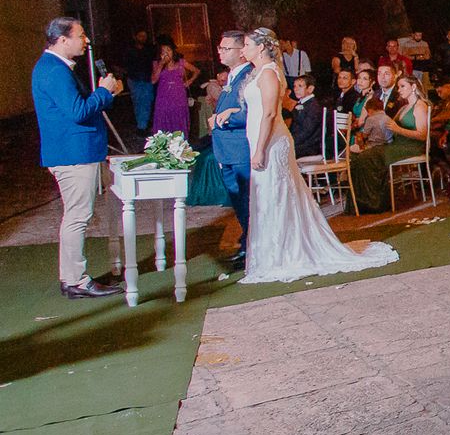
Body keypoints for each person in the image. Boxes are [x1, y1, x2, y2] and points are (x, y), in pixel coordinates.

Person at [234, 28, 398, 283]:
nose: (242, 49)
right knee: (267, 195)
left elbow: (268, 114)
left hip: (270, 142)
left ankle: (286, 252)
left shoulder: (268, 74)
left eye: (246, 44)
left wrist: (259, 149)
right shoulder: (260, 73)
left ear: (261, 47)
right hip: (264, 139)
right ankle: (272, 254)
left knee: (275, 195)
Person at [33, 16, 125, 297]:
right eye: (81, 35)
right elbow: (78, 112)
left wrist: (106, 94)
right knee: (77, 216)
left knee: (77, 215)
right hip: (72, 155)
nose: (86, 41)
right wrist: (103, 92)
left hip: (75, 153)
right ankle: (75, 281)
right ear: (63, 40)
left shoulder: (56, 67)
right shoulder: (53, 70)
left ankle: (73, 276)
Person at [347, 74, 431, 213]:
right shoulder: (404, 108)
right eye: (398, 87)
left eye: (403, 86)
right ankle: (360, 204)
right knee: (358, 156)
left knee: (367, 157)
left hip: (411, 146)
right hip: (396, 144)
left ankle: (375, 203)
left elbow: (423, 135)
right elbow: (387, 124)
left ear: (414, 87)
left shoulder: (420, 106)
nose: (399, 90)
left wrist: (399, 129)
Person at [209, 30, 257, 267]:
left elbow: (252, 111)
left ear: (241, 53)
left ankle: (251, 246)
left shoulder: (249, 76)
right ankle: (246, 241)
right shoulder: (231, 77)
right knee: (239, 202)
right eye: (220, 48)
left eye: (226, 48)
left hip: (240, 149)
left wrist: (224, 118)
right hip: (227, 150)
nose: (220, 52)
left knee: (247, 202)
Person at [150, 40, 198, 135]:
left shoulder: (181, 62)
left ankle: (180, 144)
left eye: (169, 50)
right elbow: (153, 80)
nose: (166, 53)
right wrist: (161, 65)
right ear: (160, 54)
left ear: (173, 52)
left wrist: (190, 81)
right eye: (163, 51)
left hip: (178, 95)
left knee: (179, 117)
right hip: (163, 96)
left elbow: (196, 71)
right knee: (163, 118)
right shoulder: (157, 64)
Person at [123, 27, 157, 133]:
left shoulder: (149, 50)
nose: (143, 38)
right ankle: (141, 126)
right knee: (138, 102)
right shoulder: (129, 50)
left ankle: (144, 125)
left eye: (145, 36)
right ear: (135, 37)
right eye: (141, 36)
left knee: (147, 101)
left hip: (147, 79)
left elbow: (153, 63)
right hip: (135, 79)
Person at [287, 73, 324, 157]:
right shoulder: (300, 104)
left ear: (310, 89)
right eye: (294, 86)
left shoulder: (313, 107)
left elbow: (307, 131)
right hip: (299, 143)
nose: (296, 89)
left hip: (308, 147)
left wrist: (290, 141)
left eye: (300, 86)